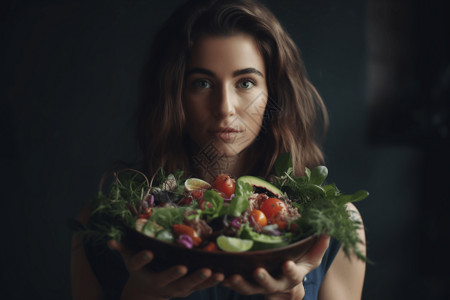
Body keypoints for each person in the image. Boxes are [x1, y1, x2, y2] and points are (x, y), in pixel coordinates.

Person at [71, 0, 366, 299]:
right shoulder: (101, 228)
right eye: (202, 83)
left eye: (246, 83)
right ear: (174, 94)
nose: (225, 108)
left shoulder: (336, 224)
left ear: (272, 93)